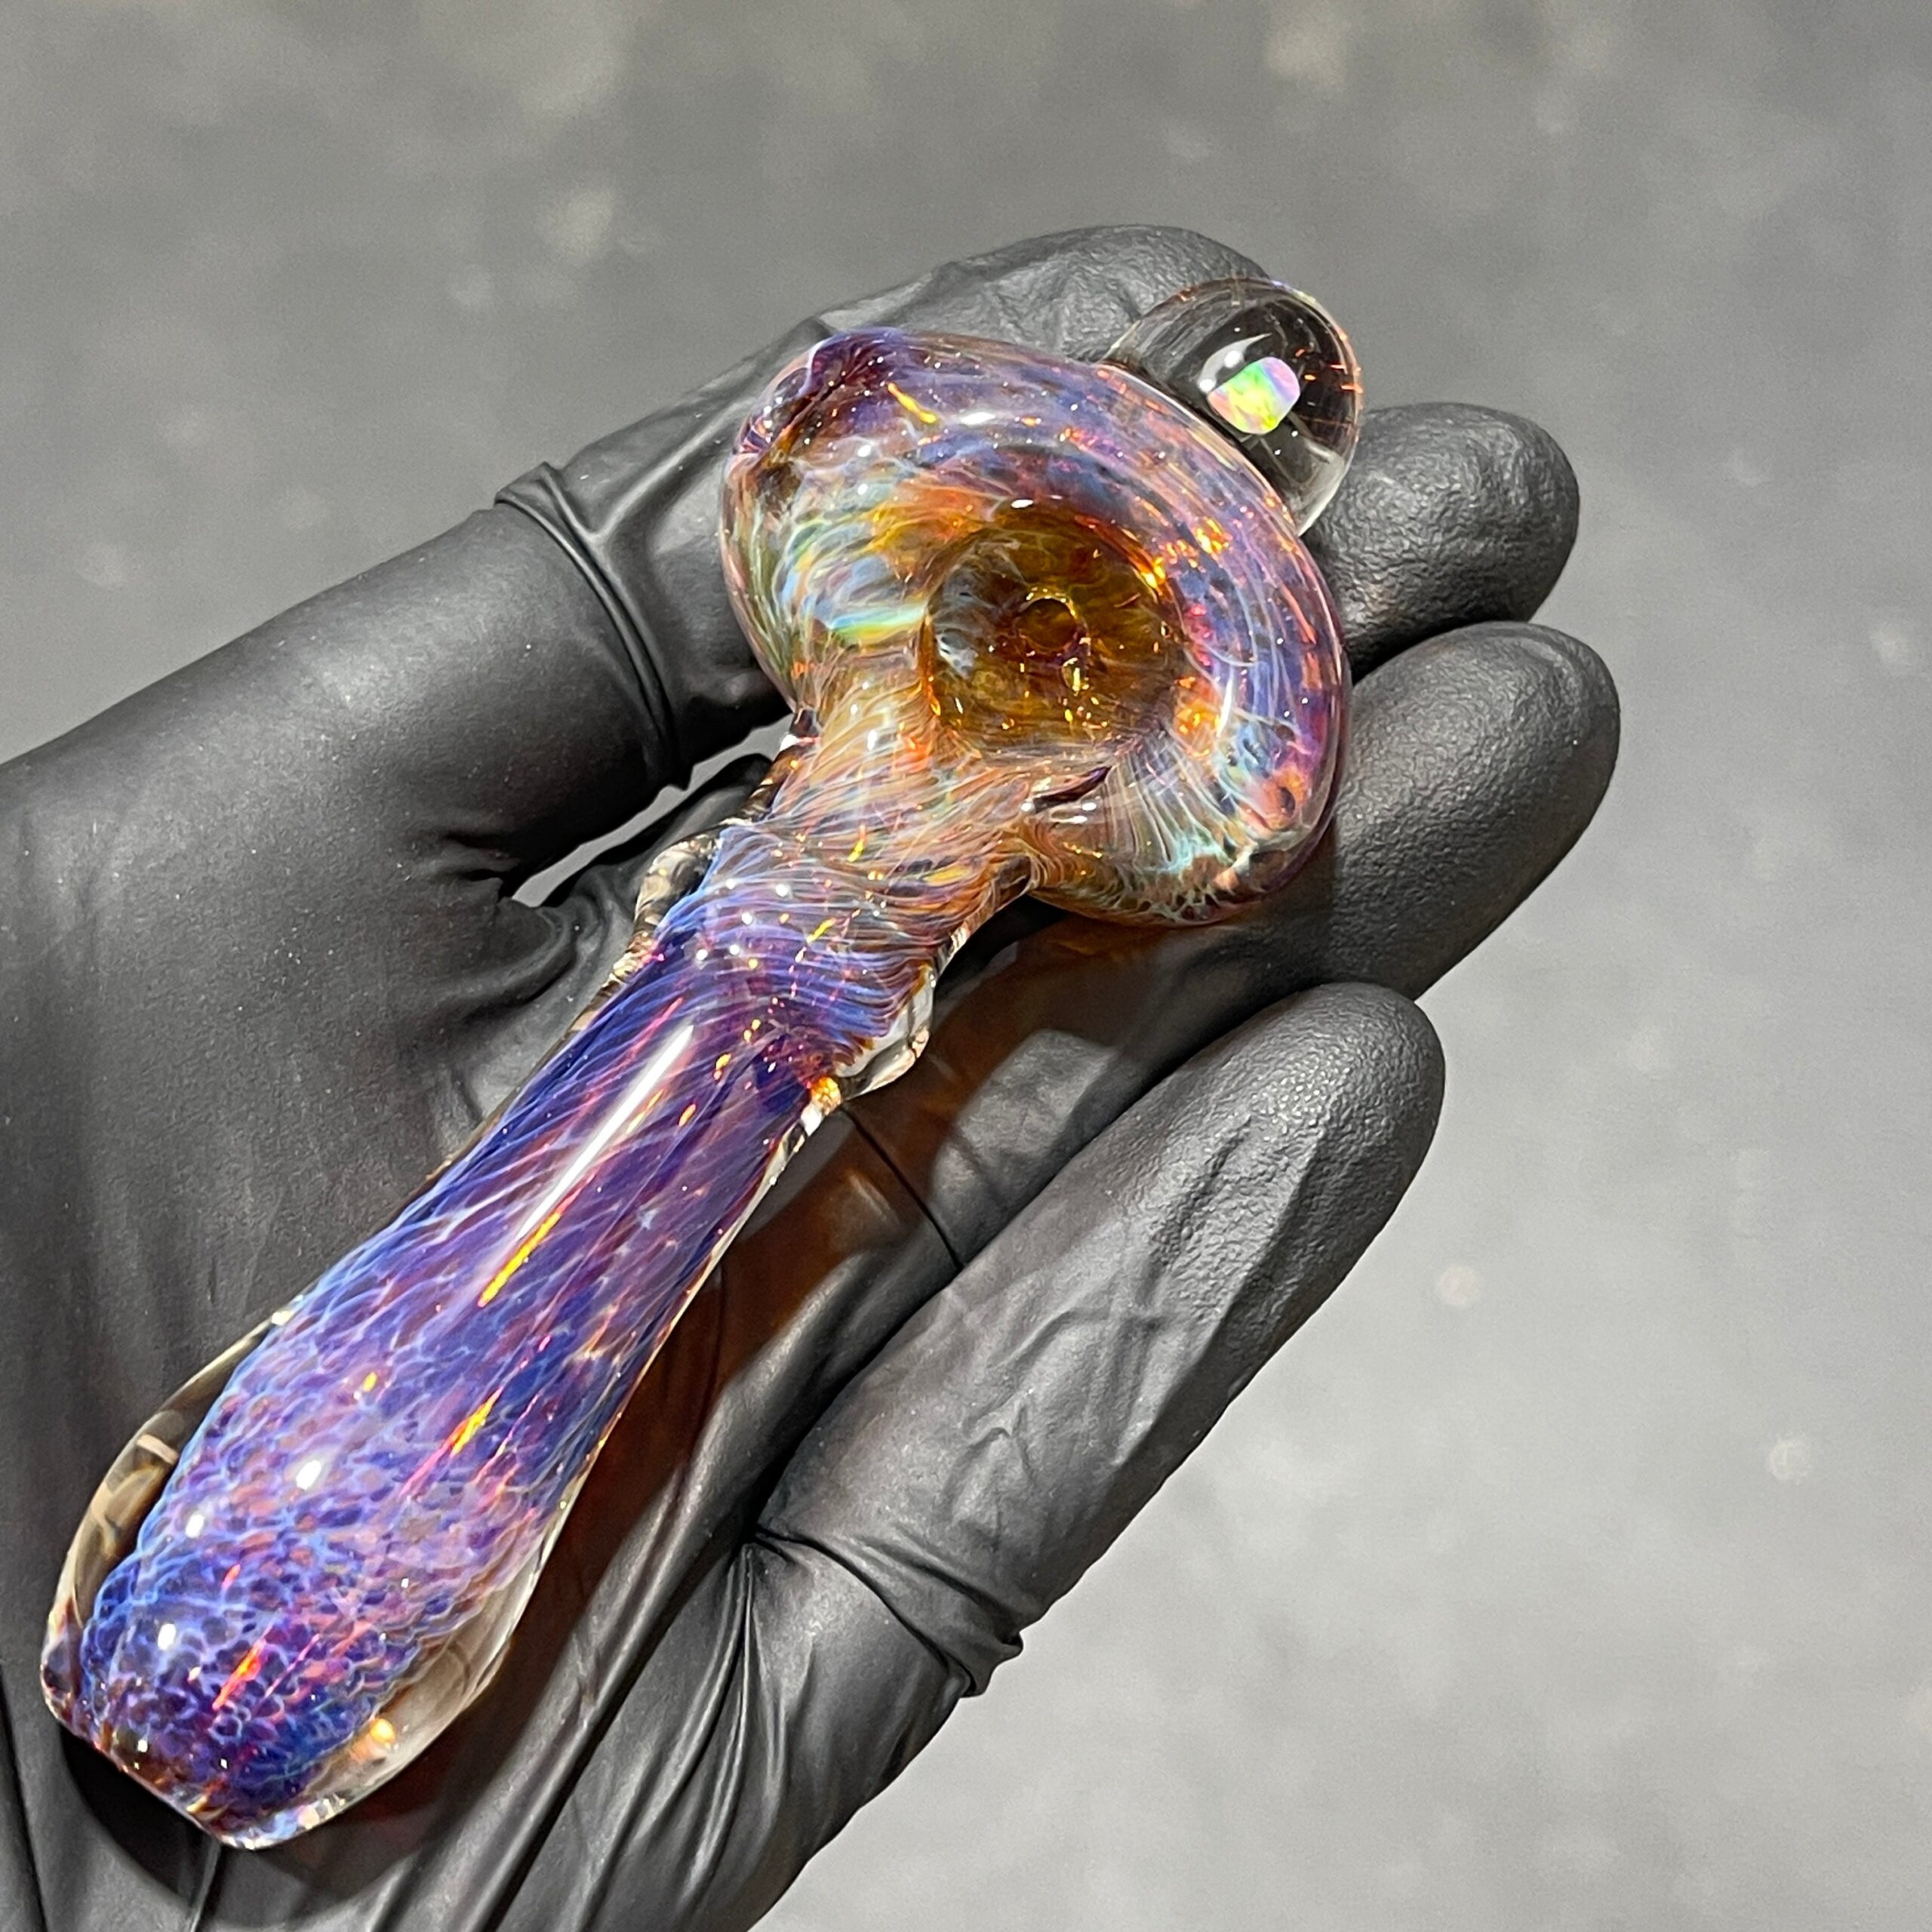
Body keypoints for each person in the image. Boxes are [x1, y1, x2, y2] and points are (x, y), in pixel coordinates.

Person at [0, 227, 1617, 1930]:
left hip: (813, 959)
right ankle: (214, 1653)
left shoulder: (1157, 701)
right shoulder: (954, 552)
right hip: (768, 940)